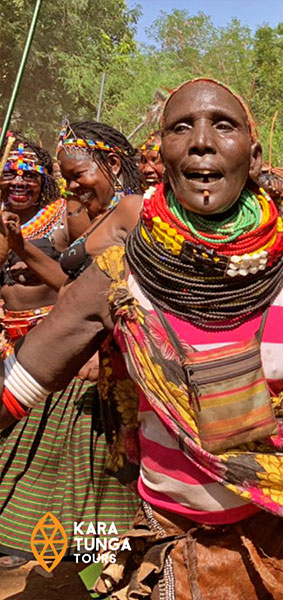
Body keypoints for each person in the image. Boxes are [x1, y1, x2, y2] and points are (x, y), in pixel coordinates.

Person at [0, 79, 283, 597]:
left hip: (277, 543)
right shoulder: (115, 281)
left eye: (223, 124)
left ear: (255, 154)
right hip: (168, 542)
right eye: (182, 127)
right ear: (163, 151)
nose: (201, 139)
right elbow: (14, 390)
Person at [0, 128, 142, 568]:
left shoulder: (136, 212)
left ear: (113, 166)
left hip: (116, 359)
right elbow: (71, 286)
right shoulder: (90, 216)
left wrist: (105, 345)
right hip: (73, 348)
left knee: (107, 470)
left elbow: (141, 292)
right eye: (66, 179)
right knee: (51, 461)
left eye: (77, 175)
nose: (72, 188)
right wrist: (20, 246)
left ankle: (107, 560)